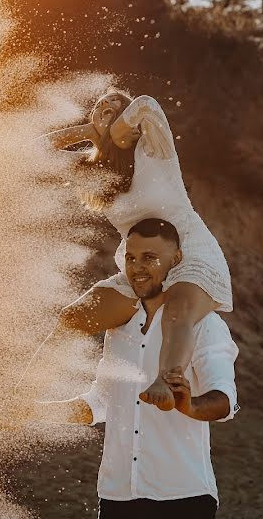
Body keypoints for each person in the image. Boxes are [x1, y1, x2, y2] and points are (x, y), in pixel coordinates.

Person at [15, 218, 239, 518]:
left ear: (176, 260)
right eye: (131, 258)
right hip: (116, 497)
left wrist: (189, 406)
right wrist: (35, 411)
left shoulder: (203, 324)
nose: (138, 267)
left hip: (182, 498)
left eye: (150, 257)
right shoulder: (119, 329)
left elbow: (225, 399)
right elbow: (101, 403)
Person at [42, 90, 232, 409]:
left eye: (115, 107)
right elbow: (32, 151)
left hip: (191, 254)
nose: (105, 108)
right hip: (140, 266)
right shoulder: (92, 170)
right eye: (100, 105)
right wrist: (90, 133)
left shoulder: (154, 150)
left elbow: (147, 105)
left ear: (129, 121)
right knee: (73, 317)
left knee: (177, 310)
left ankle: (167, 381)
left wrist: (117, 128)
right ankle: (21, 397)